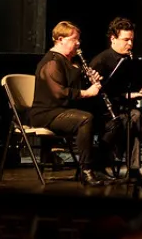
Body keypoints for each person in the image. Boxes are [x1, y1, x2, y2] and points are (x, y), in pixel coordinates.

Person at [89, 17, 142, 181]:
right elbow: (99, 97)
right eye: (125, 40)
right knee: (134, 117)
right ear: (113, 39)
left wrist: (138, 88)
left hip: (131, 110)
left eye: (132, 40)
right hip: (111, 116)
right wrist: (126, 95)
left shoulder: (131, 59)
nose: (130, 44)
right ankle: (134, 170)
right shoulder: (101, 61)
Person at [30, 21, 107, 186]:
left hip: (63, 110)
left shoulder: (72, 61)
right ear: (60, 39)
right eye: (74, 39)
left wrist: (91, 80)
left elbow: (74, 88)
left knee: (102, 116)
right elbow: (59, 93)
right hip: (46, 113)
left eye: (78, 39)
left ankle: (100, 165)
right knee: (85, 119)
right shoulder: (51, 62)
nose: (78, 43)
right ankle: (86, 171)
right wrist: (87, 92)